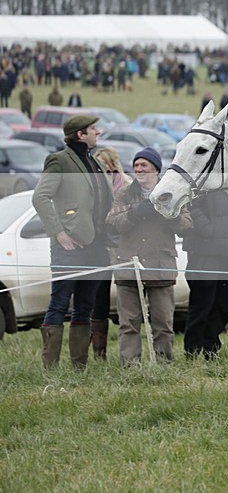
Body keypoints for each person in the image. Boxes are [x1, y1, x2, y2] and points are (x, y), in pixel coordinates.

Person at [32, 115, 113, 368]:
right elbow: (40, 198)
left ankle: (79, 366)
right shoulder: (59, 160)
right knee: (59, 304)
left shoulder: (94, 161)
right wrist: (59, 233)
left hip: (97, 246)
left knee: (85, 307)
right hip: (70, 247)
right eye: (92, 129)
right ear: (80, 134)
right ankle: (50, 368)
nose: (98, 132)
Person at [106, 147, 192, 366]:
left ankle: (164, 363)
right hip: (129, 265)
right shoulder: (125, 193)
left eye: (144, 165)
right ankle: (130, 365)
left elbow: (186, 225)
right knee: (129, 323)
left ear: (156, 169)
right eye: (136, 165)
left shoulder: (170, 192)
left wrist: (167, 212)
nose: (139, 169)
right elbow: (112, 222)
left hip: (161, 265)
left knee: (163, 322)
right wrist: (135, 213)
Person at [182, 191, 228, 360]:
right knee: (201, 306)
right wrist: (211, 231)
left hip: (225, 255)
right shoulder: (198, 183)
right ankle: (193, 352)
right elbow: (191, 209)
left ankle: (211, 348)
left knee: (224, 306)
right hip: (202, 255)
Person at [90, 147, 132, 359]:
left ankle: (130, 349)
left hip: (122, 247)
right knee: (99, 298)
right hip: (102, 248)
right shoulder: (94, 187)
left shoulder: (126, 186)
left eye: (103, 167)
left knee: (127, 297)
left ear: (112, 166)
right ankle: (100, 352)